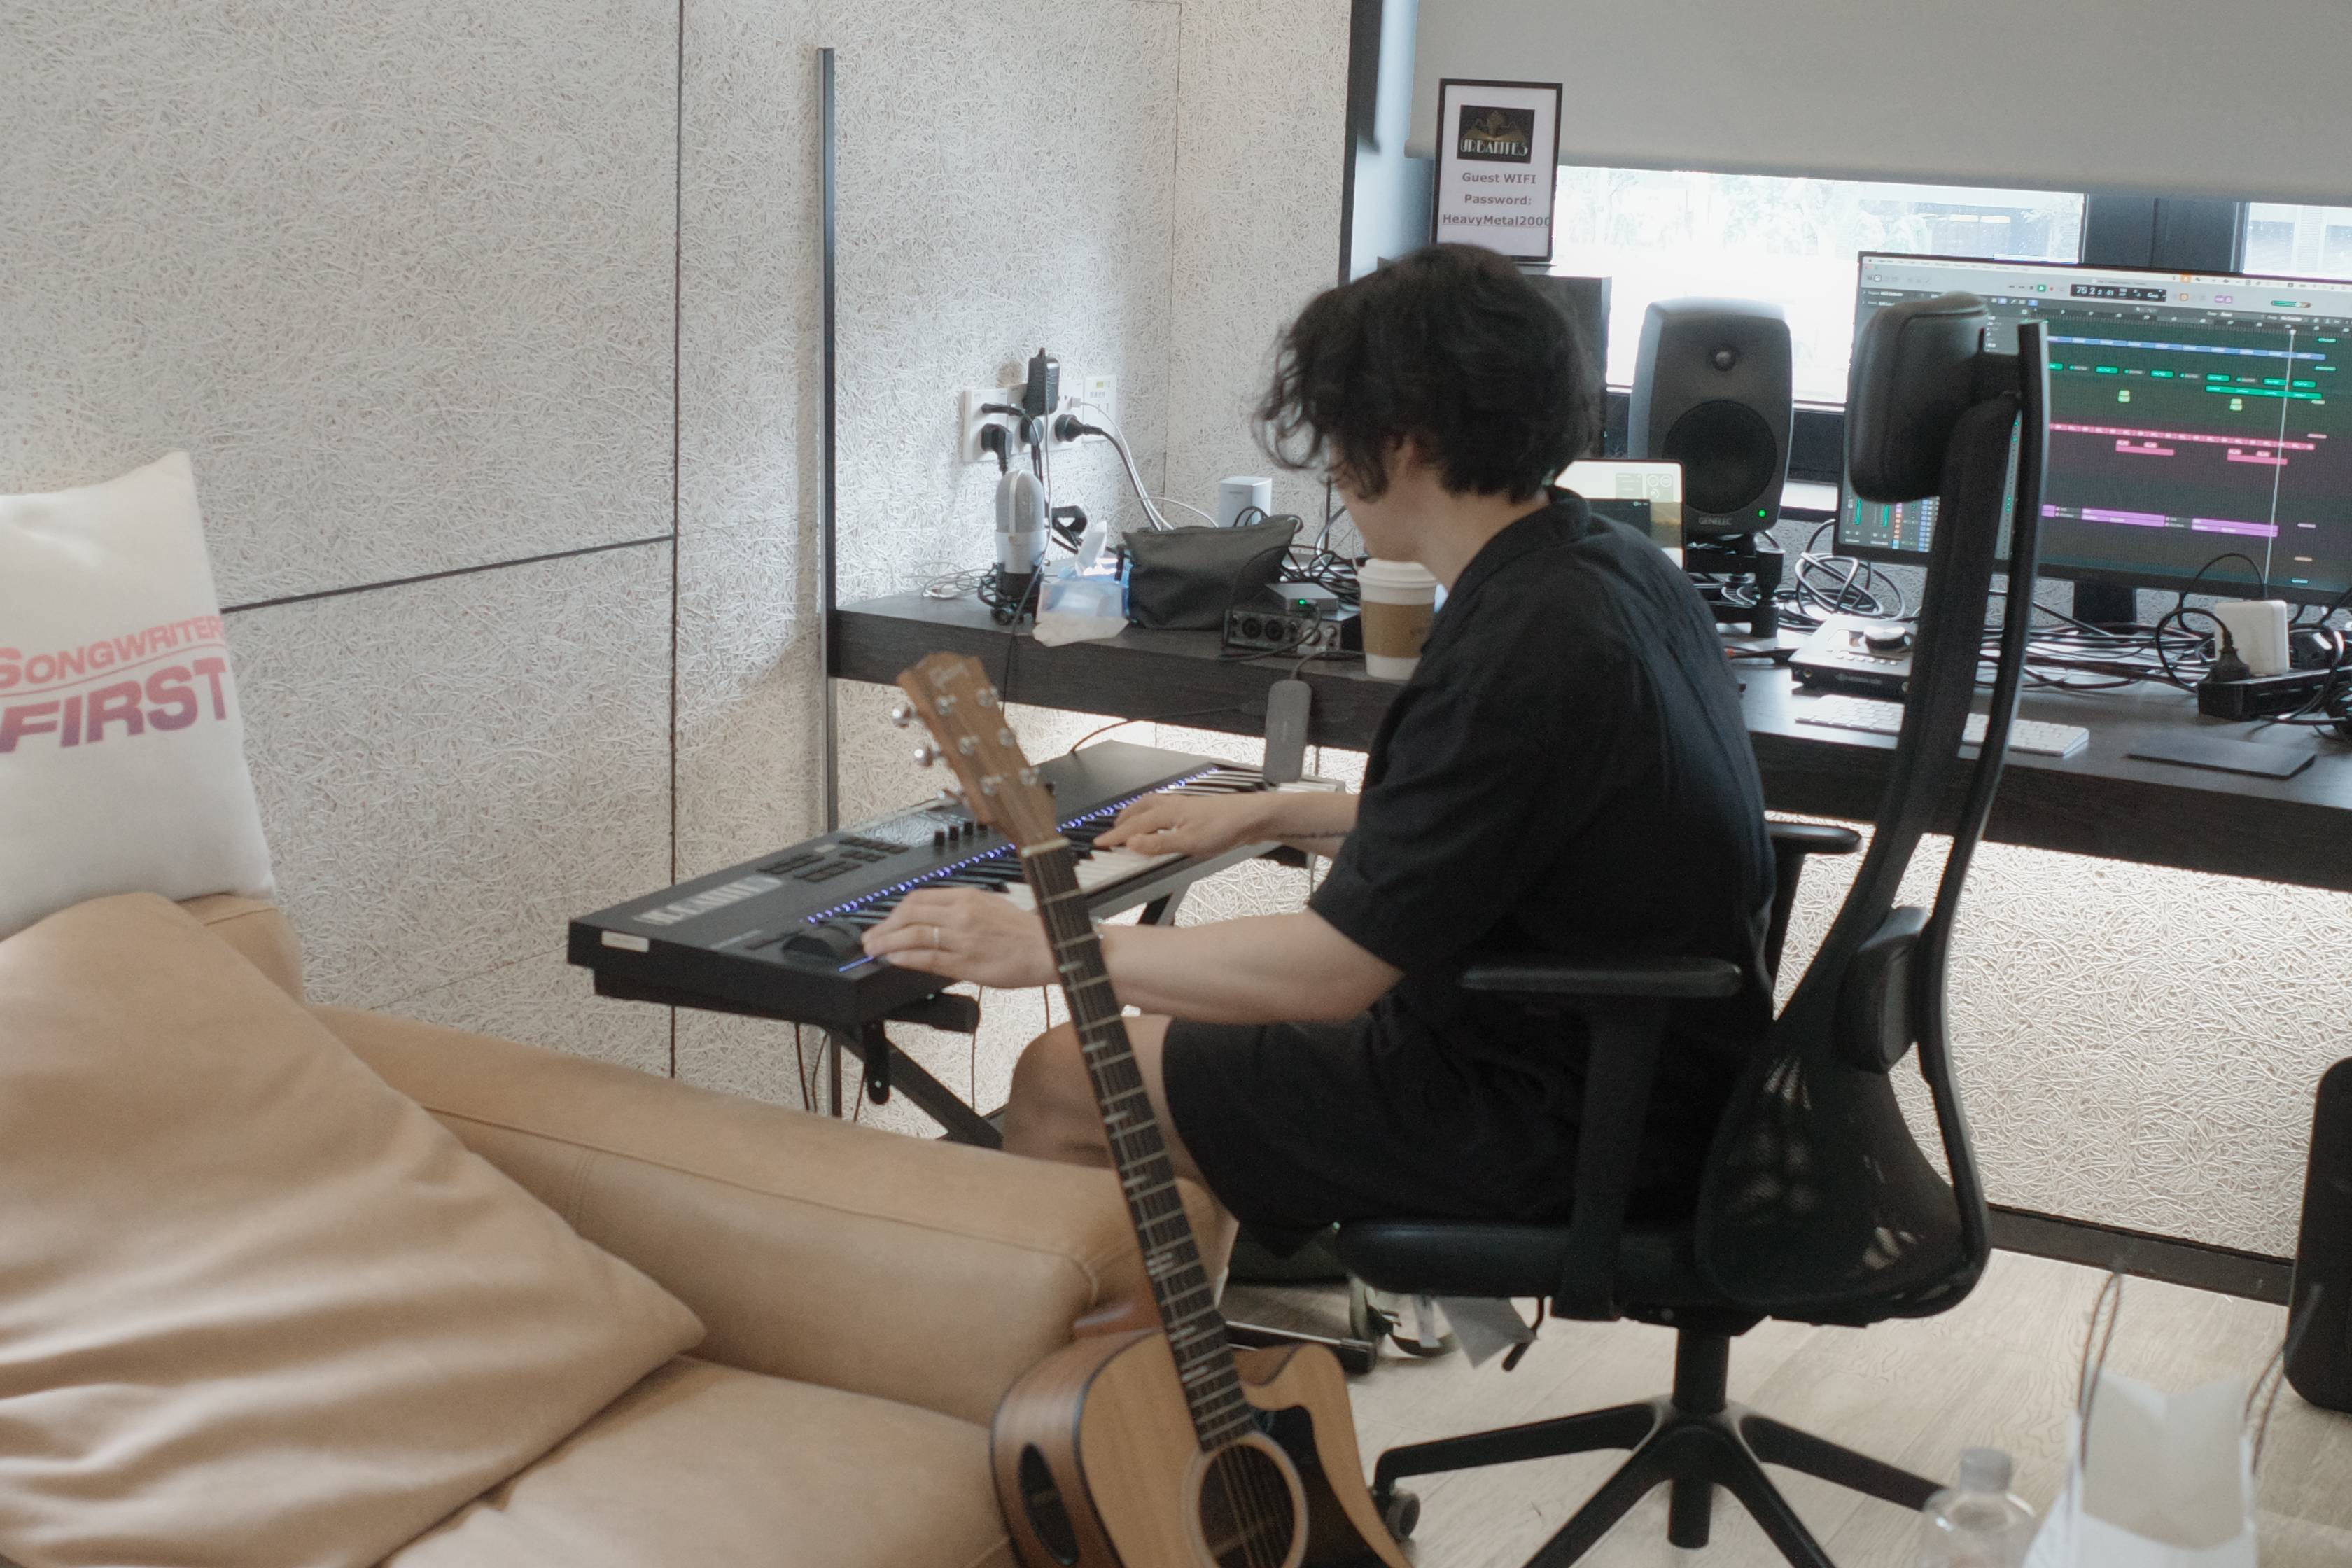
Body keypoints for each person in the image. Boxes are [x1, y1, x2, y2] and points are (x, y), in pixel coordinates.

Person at [863, 244, 1774, 1256]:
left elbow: (1334, 973)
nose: (1334, 467)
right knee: (1187, 1066)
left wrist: (1057, 948)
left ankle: (1110, 1361)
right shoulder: (1609, 566)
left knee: (1064, 1076)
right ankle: (1181, 1333)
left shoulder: (1523, 648)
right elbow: (1508, 825)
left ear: (1405, 438)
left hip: (1564, 1117)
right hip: (1663, 1083)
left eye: (1340, 432)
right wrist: (1280, 810)